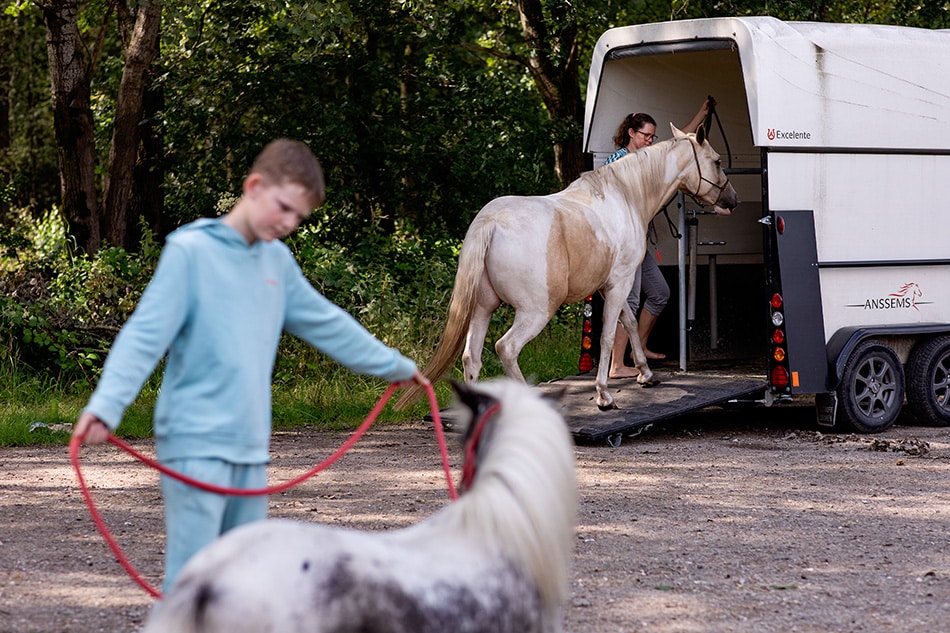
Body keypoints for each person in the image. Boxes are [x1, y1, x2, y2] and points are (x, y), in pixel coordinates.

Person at [71, 139, 430, 593]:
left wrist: (394, 365)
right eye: (284, 208)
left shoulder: (276, 261)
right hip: (194, 442)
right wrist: (106, 406)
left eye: (298, 218)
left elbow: (328, 324)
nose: (288, 223)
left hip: (250, 445)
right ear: (254, 186)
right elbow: (144, 336)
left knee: (240, 586)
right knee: (193, 584)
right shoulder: (190, 251)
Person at [604, 99, 714, 378]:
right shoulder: (618, 162)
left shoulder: (646, 157)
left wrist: (700, 114)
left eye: (652, 136)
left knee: (659, 293)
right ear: (631, 133)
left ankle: (637, 347)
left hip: (638, 243)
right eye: (645, 135)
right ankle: (616, 366)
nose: (650, 140)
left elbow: (677, 146)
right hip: (623, 244)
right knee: (627, 301)